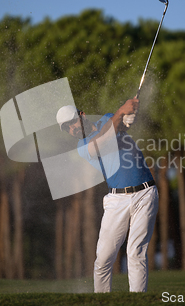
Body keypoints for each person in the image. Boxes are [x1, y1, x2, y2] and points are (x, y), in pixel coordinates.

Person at [56, 98, 159, 293]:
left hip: (145, 194)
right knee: (103, 260)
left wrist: (128, 114)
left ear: (82, 115)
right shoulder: (83, 146)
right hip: (116, 200)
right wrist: (122, 111)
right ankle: (101, 300)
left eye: (72, 123)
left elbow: (121, 126)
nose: (72, 129)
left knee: (135, 253)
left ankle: (137, 301)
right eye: (67, 128)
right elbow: (102, 141)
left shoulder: (107, 119)